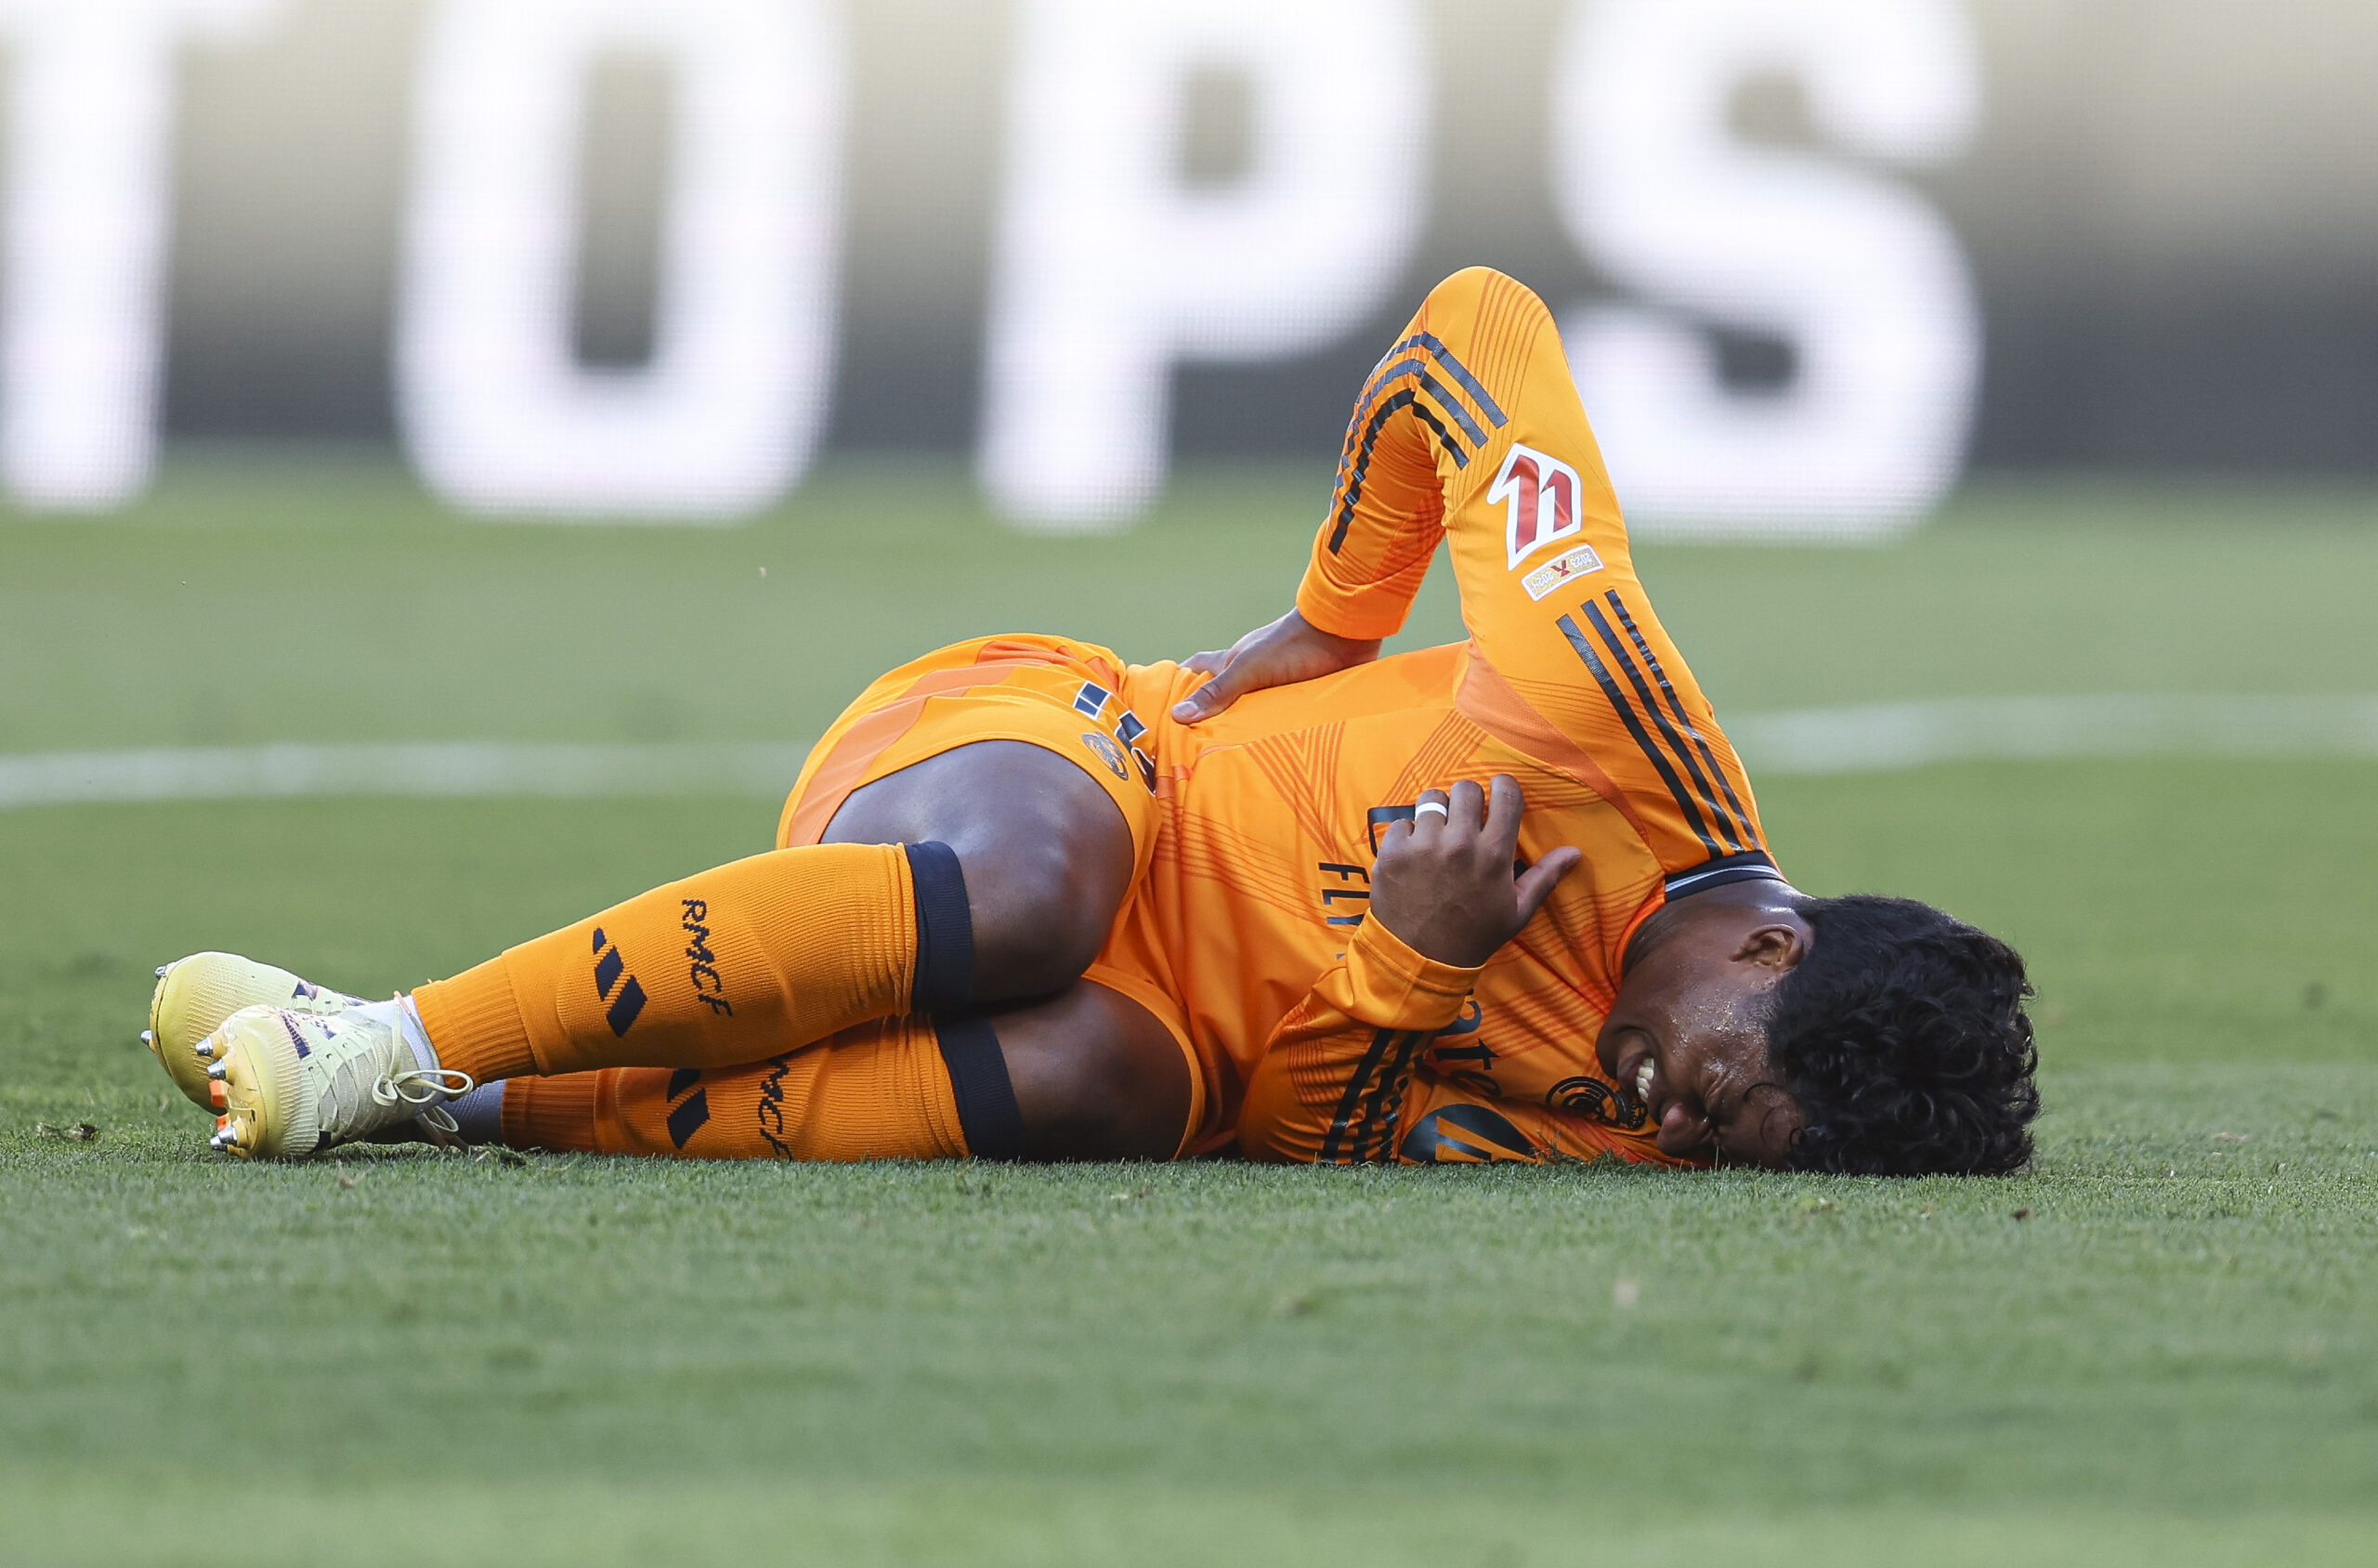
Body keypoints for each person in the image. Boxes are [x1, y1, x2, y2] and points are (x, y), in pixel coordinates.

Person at [143, 268, 2039, 1176]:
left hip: (1170, 1031)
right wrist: (1335, 612)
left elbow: (1309, 1124)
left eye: (1728, 1150)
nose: (1672, 1123)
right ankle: (382, 1042)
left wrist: (1405, 970)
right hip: (1051, 767)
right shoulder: (1590, 707)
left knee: (1111, 1089)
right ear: (1765, 947)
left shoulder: (1640, 1135)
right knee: (1041, 895)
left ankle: (467, 1094)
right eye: (1718, 1080)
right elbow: (1477, 332)